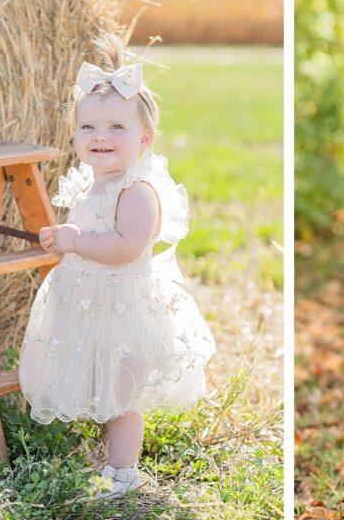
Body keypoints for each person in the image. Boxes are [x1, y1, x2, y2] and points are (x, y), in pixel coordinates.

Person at [19, 32, 216, 495]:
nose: (100, 137)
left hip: (123, 308)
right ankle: (105, 456)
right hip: (91, 304)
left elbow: (126, 247)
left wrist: (75, 240)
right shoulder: (90, 184)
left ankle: (124, 472)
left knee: (122, 395)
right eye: (88, 128)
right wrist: (62, 240)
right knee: (97, 381)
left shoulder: (137, 191)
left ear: (143, 139)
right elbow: (89, 235)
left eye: (116, 128)